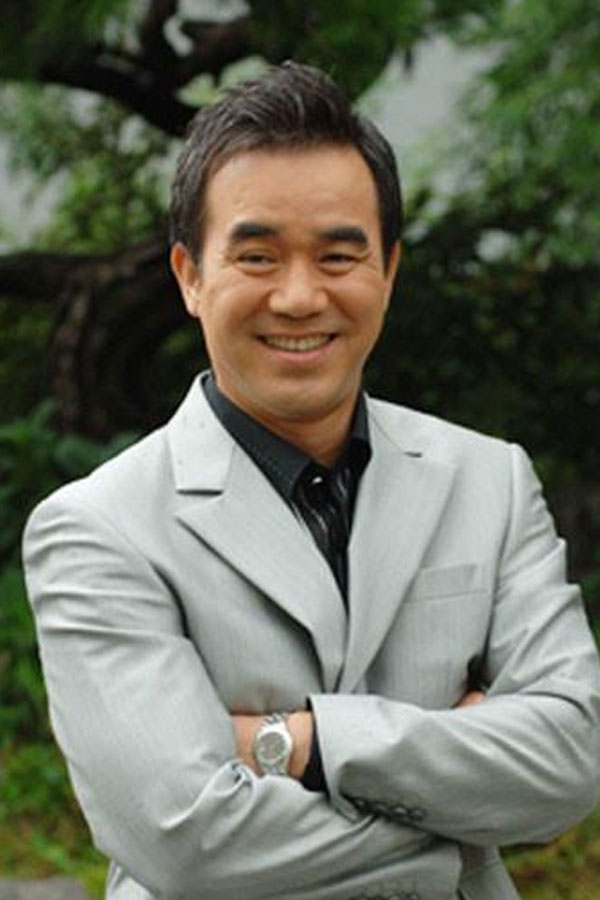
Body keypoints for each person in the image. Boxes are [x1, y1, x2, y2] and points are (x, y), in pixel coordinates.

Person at [23, 61, 600, 900]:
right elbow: (187, 842)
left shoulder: (489, 480)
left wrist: (295, 743)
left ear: (388, 272)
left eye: (338, 255)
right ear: (190, 275)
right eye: (257, 256)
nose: (299, 297)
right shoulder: (100, 526)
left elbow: (573, 760)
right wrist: (458, 831)